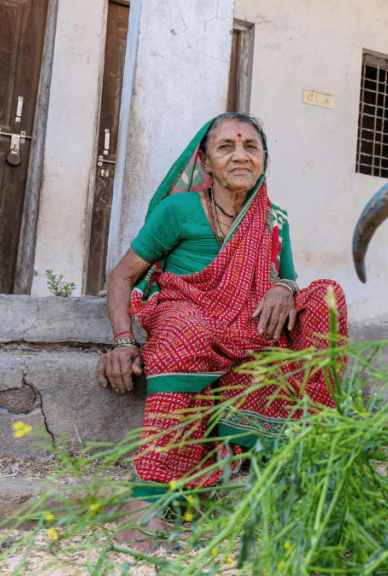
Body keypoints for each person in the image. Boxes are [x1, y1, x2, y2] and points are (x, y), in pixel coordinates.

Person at [98, 113, 348, 552]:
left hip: (248, 330)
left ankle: (311, 457)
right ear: (206, 162)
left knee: (328, 294)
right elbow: (122, 276)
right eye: (226, 147)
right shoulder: (179, 211)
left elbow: (288, 279)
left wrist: (281, 287)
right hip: (186, 313)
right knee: (187, 330)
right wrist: (122, 340)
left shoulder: (274, 221)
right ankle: (150, 499)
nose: (240, 155)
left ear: (264, 160)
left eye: (251, 147)